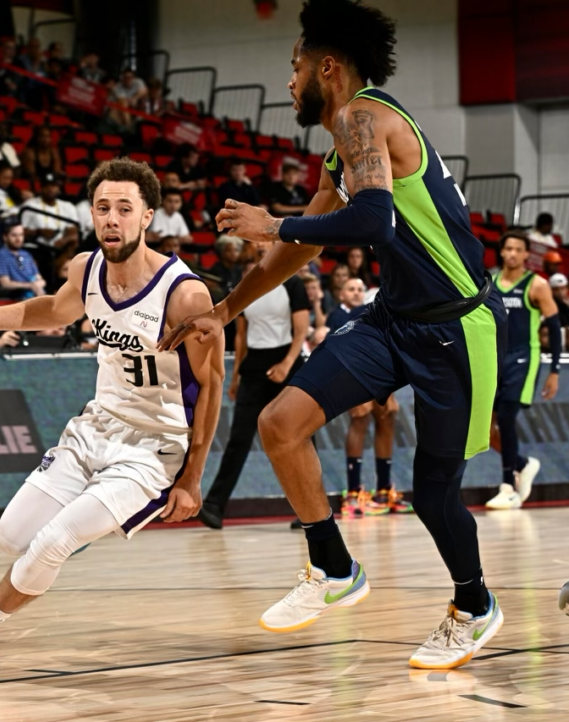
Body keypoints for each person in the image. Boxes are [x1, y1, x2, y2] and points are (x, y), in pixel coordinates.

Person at [160, 0, 507, 669]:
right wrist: (228, 307)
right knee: (280, 421)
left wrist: (273, 222)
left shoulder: (362, 117)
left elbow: (373, 221)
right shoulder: (340, 153)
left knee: (432, 493)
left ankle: (474, 605)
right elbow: (298, 254)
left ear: (326, 66)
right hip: (392, 320)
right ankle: (333, 565)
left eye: (294, 66)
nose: (289, 82)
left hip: (455, 328)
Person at [0, 158, 224, 665]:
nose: (112, 219)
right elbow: (56, 309)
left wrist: (193, 477)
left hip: (155, 447)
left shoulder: (185, 294)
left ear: (148, 216)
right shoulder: (85, 268)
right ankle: (72, 534)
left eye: (124, 209)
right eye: (102, 208)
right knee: (12, 538)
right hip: (95, 427)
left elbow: (214, 384)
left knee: (53, 540)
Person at [196, 247, 309, 530]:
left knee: (300, 438)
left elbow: (301, 331)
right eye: (256, 251)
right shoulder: (248, 285)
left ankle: (310, 511)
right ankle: (213, 506)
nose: (260, 253)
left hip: (287, 362)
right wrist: (235, 377)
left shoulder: (293, 284)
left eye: (264, 249)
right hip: (253, 367)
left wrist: (286, 364)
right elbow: (242, 337)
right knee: (239, 438)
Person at [485, 232, 561, 510]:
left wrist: (554, 371)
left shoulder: (537, 285)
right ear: (501, 252)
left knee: (506, 416)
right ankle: (523, 463)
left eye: (519, 249)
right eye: (508, 248)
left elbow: (553, 328)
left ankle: (507, 486)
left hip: (523, 359)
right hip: (493, 360)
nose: (513, 254)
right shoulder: (488, 282)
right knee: (483, 427)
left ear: (527, 254)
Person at [319, 277, 406, 517]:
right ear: (341, 294)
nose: (357, 292)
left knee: (389, 415)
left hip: (377, 371)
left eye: (360, 289)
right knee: (361, 416)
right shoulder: (337, 316)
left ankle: (384, 490)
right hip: (350, 373)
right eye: (351, 289)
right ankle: (354, 492)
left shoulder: (372, 311)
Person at [0, 222, 45, 299]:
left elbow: (41, 279)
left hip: (37, 295)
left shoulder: (26, 254)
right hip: (17, 298)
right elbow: (5, 283)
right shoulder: (1, 255)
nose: (18, 239)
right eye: (14, 235)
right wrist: (30, 285)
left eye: (21, 235)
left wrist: (37, 286)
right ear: (5, 237)